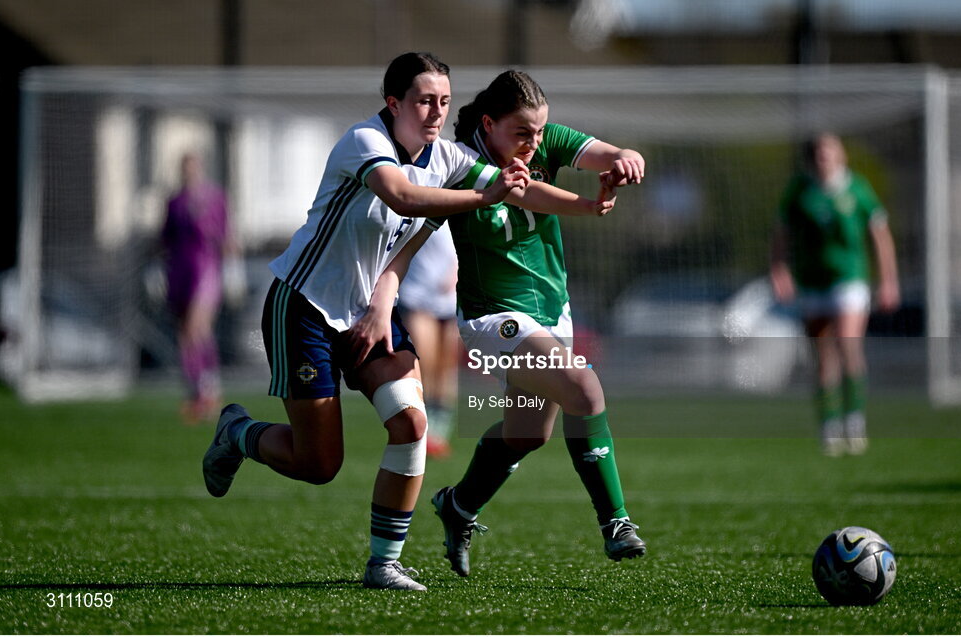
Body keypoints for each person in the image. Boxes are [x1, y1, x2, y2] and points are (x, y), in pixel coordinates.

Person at [201, 52, 614, 592]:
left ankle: (384, 564)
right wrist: (482, 194)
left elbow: (520, 191)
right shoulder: (364, 143)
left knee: (412, 423)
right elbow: (402, 195)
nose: (435, 111)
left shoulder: (445, 157)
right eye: (423, 100)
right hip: (303, 307)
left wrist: (590, 206)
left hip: (373, 312)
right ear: (393, 103)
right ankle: (238, 433)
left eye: (443, 101)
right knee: (319, 463)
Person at [428, 69, 648, 578]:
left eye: (541, 133)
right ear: (489, 123)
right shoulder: (460, 163)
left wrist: (624, 161)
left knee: (527, 434)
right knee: (585, 389)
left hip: (552, 311)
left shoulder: (541, 138)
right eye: (523, 133)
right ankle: (616, 522)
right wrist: (590, 206)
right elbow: (524, 197)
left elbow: (605, 154)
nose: (535, 143)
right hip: (494, 319)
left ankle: (457, 507)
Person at [769, 133, 900, 457]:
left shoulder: (856, 189)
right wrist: (779, 269)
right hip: (812, 283)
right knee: (823, 356)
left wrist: (888, 280)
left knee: (848, 345)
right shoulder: (800, 190)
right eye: (817, 153)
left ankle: (854, 421)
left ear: (840, 155)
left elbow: (880, 235)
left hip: (850, 280)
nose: (823, 157)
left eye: (829, 152)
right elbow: (781, 232)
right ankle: (829, 426)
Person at [161, 152, 231, 424]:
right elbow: (166, 238)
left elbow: (226, 237)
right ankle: (194, 391)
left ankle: (208, 388)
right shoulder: (174, 202)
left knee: (196, 328)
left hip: (205, 270)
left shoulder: (215, 198)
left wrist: (232, 270)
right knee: (185, 332)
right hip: (180, 270)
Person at [396, 224, 460, 459]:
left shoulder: (464, 208)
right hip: (417, 294)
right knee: (424, 361)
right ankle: (419, 426)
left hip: (451, 297)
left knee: (446, 367)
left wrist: (456, 272)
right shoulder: (418, 206)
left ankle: (439, 431)